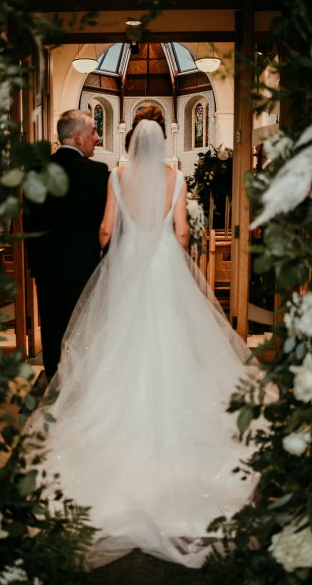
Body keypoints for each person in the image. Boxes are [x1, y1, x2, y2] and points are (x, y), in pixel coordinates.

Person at [29, 117, 258, 568]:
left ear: (130, 144)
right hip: (164, 268)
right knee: (173, 343)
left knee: (119, 343)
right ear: (164, 144)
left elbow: (106, 230)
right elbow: (183, 232)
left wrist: (115, 252)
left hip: (129, 268)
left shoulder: (116, 174)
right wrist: (168, 248)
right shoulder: (176, 178)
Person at [24, 109, 109, 381]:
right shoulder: (96, 172)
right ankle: (78, 386)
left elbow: (29, 221)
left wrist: (33, 261)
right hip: (83, 267)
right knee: (81, 329)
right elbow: (103, 222)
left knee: (51, 330)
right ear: (78, 136)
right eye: (93, 133)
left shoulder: (35, 170)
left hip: (46, 266)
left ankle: (53, 383)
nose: (97, 138)